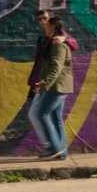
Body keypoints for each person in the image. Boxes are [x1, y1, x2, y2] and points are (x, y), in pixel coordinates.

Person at [29, 16, 74, 160]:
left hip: (57, 86)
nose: (44, 27)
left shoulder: (58, 44)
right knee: (56, 119)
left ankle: (54, 148)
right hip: (56, 85)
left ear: (53, 26)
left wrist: (45, 83)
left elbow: (56, 68)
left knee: (40, 114)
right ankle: (62, 153)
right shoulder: (51, 42)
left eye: (47, 24)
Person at [27, 10, 78, 100]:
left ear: (51, 19)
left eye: (45, 18)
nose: (42, 21)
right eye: (40, 19)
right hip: (39, 77)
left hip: (48, 79)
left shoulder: (60, 34)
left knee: (33, 109)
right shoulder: (42, 37)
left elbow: (75, 45)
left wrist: (65, 39)